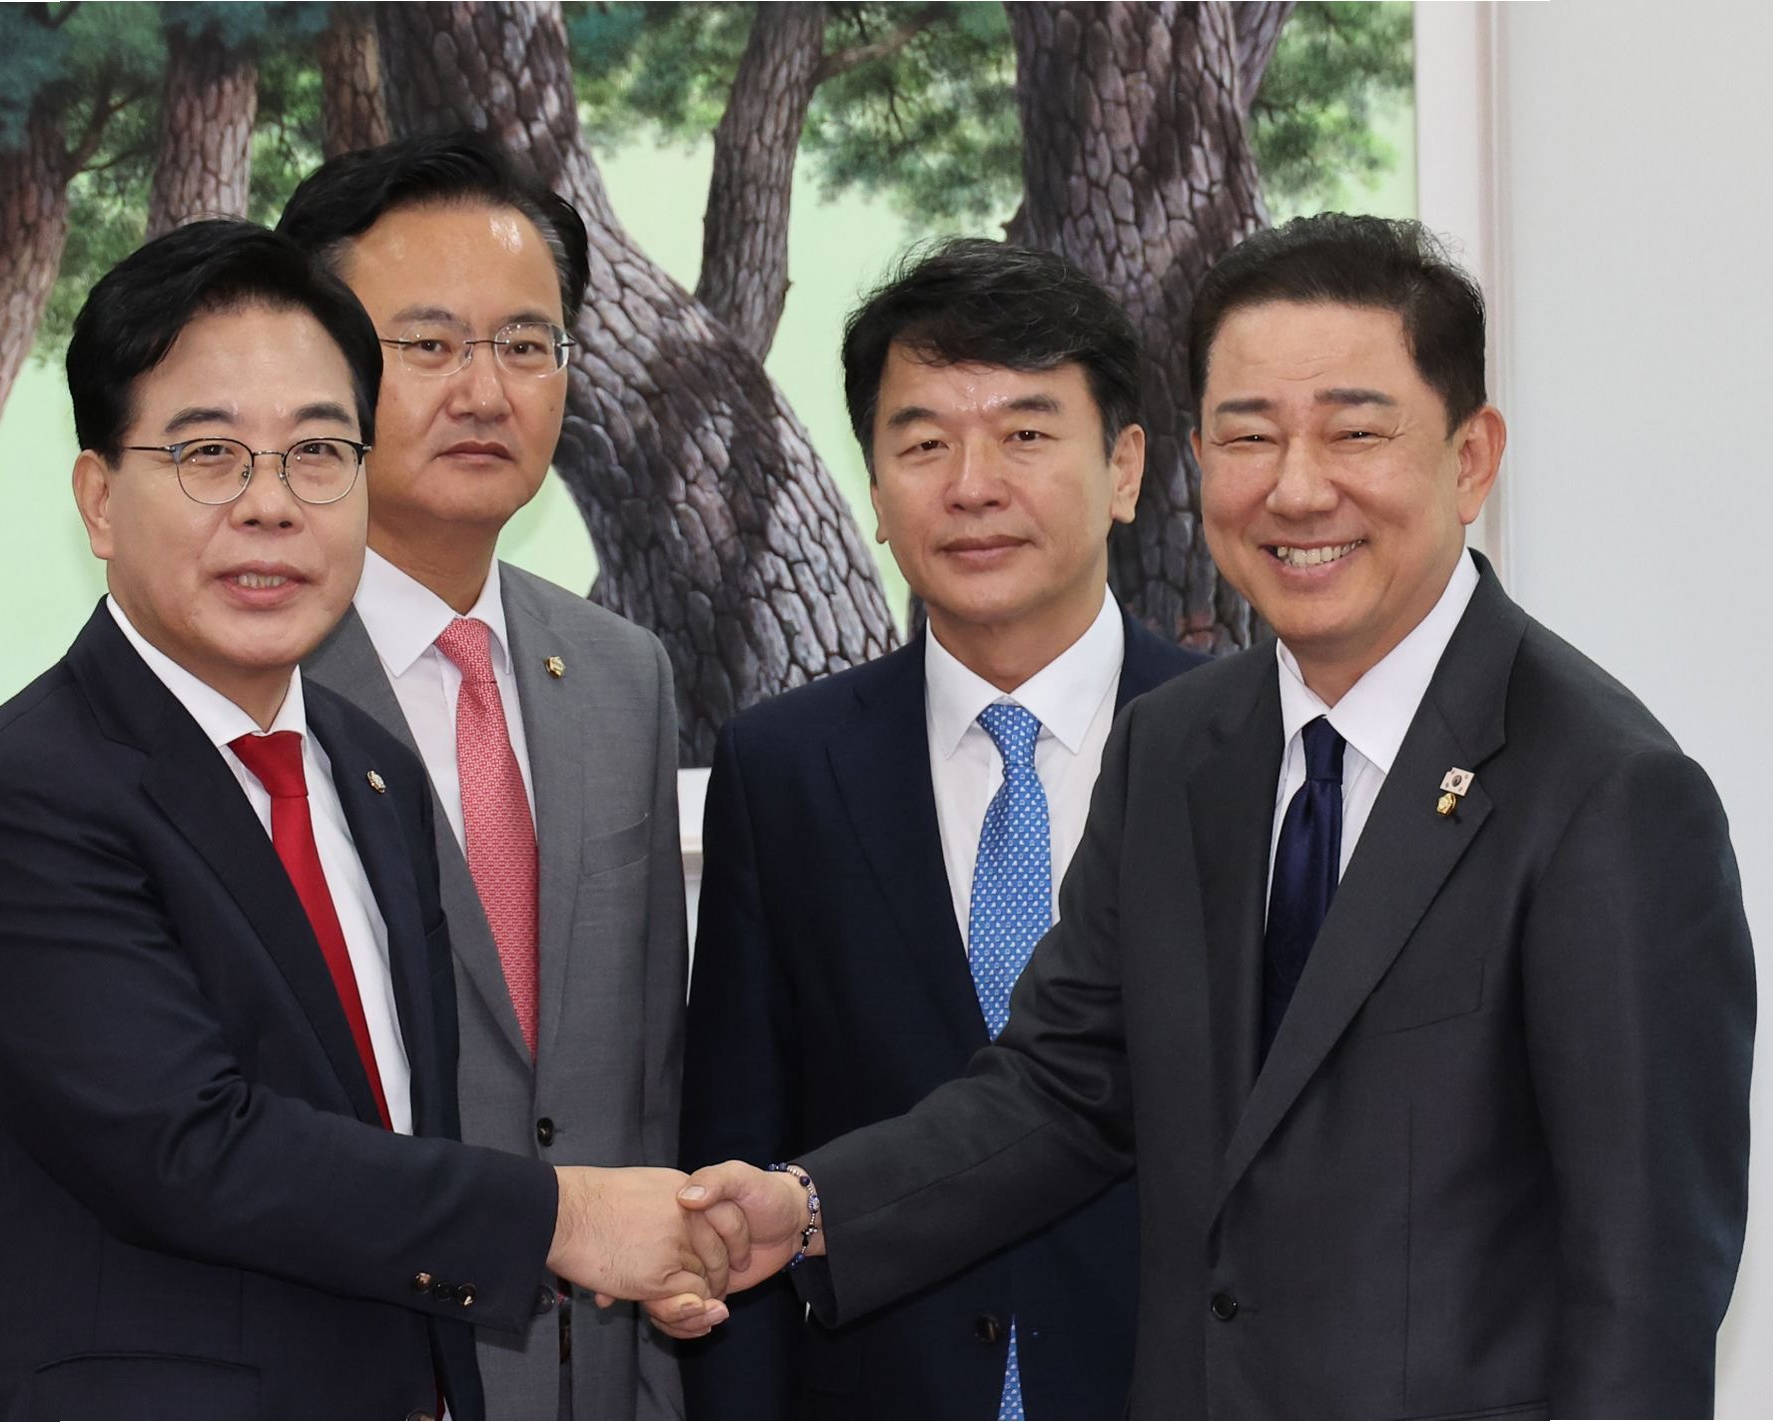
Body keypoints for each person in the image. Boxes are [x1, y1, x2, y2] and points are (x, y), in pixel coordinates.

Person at [673, 214, 1756, 1419]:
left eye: (1355, 431)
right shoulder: (1180, 747)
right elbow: (1064, 1089)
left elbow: (1643, 1300)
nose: (1297, 488)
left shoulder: (1606, 794)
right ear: (1195, 461)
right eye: (1249, 436)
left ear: (1471, 457)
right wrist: (805, 1209)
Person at [0, 220, 726, 1422]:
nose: (272, 506)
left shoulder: (368, 770)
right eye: (210, 455)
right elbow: (195, 1150)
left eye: (319, 453)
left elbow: (396, 1141)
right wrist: (570, 1217)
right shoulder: (22, 796)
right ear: (99, 498)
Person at [680, 238, 1204, 1420]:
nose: (973, 486)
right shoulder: (785, 768)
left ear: (1124, 468)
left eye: (1026, 435)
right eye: (923, 444)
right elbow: (738, 1148)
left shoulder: (1238, 748)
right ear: (873, 489)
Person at [274, 132, 688, 1419]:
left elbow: (649, 1089)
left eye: (525, 344)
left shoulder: (622, 674)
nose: (485, 390)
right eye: (430, 343)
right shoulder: (256, 683)